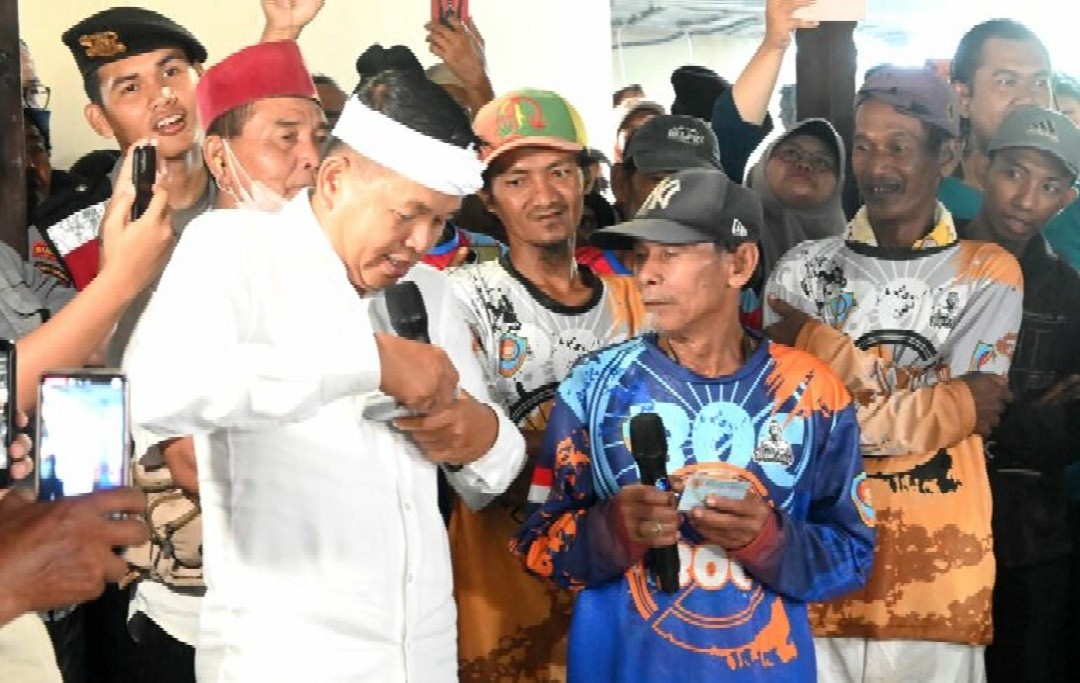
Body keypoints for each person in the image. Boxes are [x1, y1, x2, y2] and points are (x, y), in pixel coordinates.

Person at [124, 70, 526, 681]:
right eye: (408, 214)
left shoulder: (430, 293)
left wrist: (479, 435)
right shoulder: (234, 250)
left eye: (440, 222)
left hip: (422, 653)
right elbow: (160, 390)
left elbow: (495, 468)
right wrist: (367, 361)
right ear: (336, 180)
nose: (420, 242)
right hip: (284, 656)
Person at [514, 168, 874, 681]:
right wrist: (611, 530)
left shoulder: (812, 393)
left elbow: (853, 556)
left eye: (672, 253)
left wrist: (769, 541)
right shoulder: (593, 387)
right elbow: (537, 545)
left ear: (740, 263)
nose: (647, 274)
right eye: (641, 256)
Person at [764, 65, 1022, 682]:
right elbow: (791, 426)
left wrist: (815, 344)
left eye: (899, 147)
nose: (876, 166)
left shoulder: (987, 271)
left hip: (938, 580)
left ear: (950, 153)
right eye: (864, 145)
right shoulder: (804, 268)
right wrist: (940, 402)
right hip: (819, 569)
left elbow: (964, 423)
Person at [122, 36, 327, 683]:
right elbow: (195, 460)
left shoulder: (325, 276)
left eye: (319, 138)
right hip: (203, 629)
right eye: (286, 138)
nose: (311, 160)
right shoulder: (198, 279)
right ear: (219, 156)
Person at [448, 88, 646, 680]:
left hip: (619, 587)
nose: (544, 197)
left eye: (559, 172)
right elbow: (477, 463)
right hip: (504, 588)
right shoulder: (463, 299)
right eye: (517, 180)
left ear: (587, 179)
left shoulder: (638, 302)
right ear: (487, 197)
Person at [959, 105, 1080, 682]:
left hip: (1031, 538)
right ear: (982, 167)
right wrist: (1018, 413)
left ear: (1068, 199)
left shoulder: (1067, 289)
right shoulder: (934, 261)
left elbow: (1073, 425)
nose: (1028, 199)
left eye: (1050, 185)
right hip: (937, 523)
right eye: (1015, 173)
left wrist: (982, 412)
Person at [943, 19, 1080, 269]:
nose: (1029, 98)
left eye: (1040, 83)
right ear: (962, 98)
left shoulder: (1072, 206)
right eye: (1006, 81)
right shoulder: (920, 202)